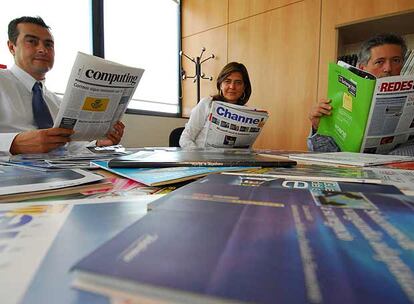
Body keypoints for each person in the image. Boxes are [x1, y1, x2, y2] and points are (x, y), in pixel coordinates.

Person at [0, 16, 125, 155]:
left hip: (62, 170)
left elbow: (68, 146)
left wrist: (99, 144)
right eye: (32, 41)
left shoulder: (57, 102)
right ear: (12, 47)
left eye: (48, 44)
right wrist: (13, 143)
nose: (42, 49)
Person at [307, 33, 410, 155]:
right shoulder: (339, 100)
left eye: (396, 60)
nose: (388, 68)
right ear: (362, 68)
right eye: (379, 62)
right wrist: (317, 126)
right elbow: (324, 155)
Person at [179, 62, 252, 148]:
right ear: (220, 84)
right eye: (227, 81)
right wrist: (198, 156)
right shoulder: (207, 104)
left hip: (232, 160)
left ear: (244, 87)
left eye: (238, 82)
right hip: (202, 158)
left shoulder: (247, 113)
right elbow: (185, 138)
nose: (232, 86)